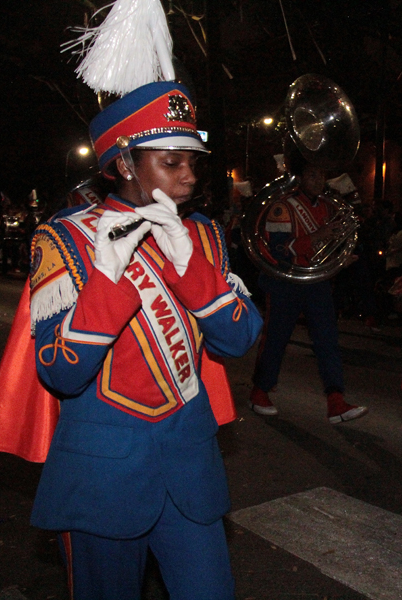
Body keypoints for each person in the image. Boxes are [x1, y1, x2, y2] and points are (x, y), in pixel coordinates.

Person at [26, 81, 262, 599]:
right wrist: (106, 284)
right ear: (125, 164)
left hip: (191, 466)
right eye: (172, 162)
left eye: (192, 162)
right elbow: (59, 371)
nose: (189, 176)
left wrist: (192, 270)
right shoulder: (65, 239)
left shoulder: (203, 235)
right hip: (101, 473)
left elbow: (239, 339)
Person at [248, 150, 368, 423]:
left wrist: (339, 259)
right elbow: (278, 250)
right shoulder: (282, 207)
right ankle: (259, 391)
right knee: (276, 338)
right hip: (286, 282)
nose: (318, 180)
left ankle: (336, 401)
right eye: (312, 175)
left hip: (317, 283)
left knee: (327, 341)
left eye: (321, 175)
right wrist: (315, 237)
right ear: (299, 178)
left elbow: (328, 244)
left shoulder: (327, 206)